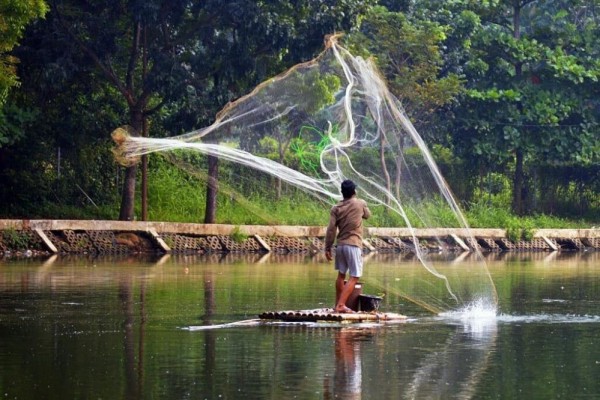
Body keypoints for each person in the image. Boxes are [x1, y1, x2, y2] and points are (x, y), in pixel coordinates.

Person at [325, 180, 371, 313]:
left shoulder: (336, 208)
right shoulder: (360, 203)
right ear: (354, 192)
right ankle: (341, 305)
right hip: (353, 245)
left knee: (341, 275)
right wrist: (363, 204)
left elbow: (331, 230)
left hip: (340, 246)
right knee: (355, 276)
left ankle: (338, 304)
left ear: (342, 192)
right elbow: (367, 215)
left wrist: (327, 247)